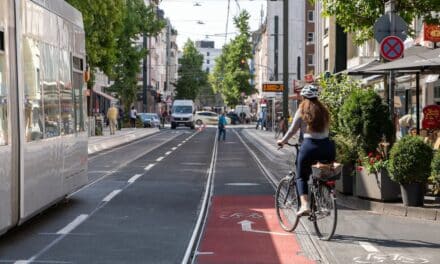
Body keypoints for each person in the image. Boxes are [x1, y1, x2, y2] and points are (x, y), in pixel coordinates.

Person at [277, 84, 335, 216]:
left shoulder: (302, 110)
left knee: (301, 176)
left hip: (310, 146)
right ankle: (324, 196)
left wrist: (282, 141)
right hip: (327, 147)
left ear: (303, 97)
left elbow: (292, 130)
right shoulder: (324, 111)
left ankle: (304, 205)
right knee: (322, 173)